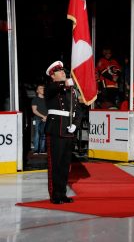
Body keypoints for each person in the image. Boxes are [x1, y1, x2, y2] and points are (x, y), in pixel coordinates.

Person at [44, 60, 82, 204]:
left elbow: (78, 109)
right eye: (59, 72)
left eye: (63, 71)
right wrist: (65, 83)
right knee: (55, 163)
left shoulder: (71, 90)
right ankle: (54, 194)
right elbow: (54, 88)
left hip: (68, 129)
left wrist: (75, 125)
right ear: (52, 76)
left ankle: (62, 193)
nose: (63, 73)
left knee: (65, 164)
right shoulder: (50, 87)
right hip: (55, 128)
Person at [31, 84, 48, 154]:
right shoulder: (35, 99)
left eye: (43, 88)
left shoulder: (47, 99)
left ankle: (42, 150)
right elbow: (34, 110)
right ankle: (36, 150)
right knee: (37, 134)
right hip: (37, 119)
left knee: (43, 134)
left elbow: (49, 109)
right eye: (41, 88)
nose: (43, 89)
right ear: (37, 91)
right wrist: (43, 117)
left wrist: (46, 117)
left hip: (46, 119)